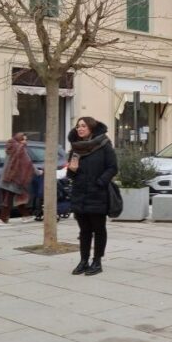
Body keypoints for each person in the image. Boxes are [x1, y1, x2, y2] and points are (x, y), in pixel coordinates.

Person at [67, 117, 118, 276]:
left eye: (83, 126)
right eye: (78, 126)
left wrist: (100, 182)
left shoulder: (104, 145)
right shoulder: (76, 148)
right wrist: (72, 169)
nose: (79, 129)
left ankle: (97, 261)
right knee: (84, 230)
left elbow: (113, 167)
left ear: (91, 128)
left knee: (98, 229)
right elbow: (70, 174)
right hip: (80, 194)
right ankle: (83, 260)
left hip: (98, 194)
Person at [0, 132, 42, 225]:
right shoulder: (20, 149)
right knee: (8, 199)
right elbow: (29, 163)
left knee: (16, 196)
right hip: (14, 178)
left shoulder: (10, 146)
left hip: (6, 176)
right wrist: (39, 172)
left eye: (26, 139)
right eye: (23, 139)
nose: (25, 142)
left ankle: (25, 216)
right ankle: (3, 219)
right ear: (18, 140)